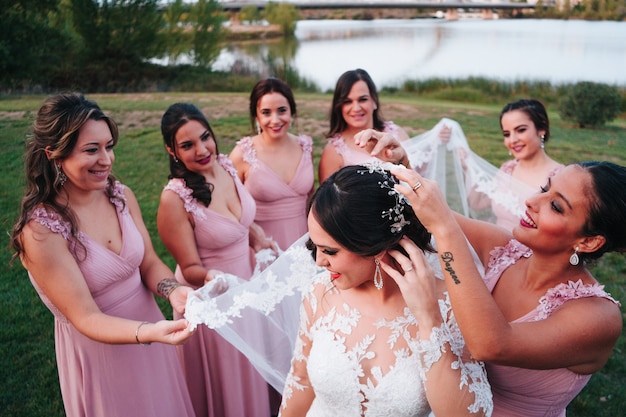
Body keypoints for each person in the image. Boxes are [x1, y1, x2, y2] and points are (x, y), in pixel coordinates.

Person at [9, 92, 196, 417]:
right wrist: (148, 332)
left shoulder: (120, 194)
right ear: (54, 155)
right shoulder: (41, 231)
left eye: (109, 146)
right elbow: (85, 317)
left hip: (152, 337)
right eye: (91, 150)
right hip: (102, 354)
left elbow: (148, 262)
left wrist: (174, 291)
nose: (106, 160)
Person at [389, 161, 623, 417]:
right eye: (545, 188)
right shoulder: (504, 248)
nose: (532, 201)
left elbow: (489, 344)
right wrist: (402, 168)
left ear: (588, 241)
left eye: (556, 206)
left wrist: (444, 230)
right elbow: (432, 213)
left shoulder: (597, 318)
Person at [279, 163, 493, 416]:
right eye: (316, 247)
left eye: (330, 251)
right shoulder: (319, 293)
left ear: (375, 246)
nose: (319, 262)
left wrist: (428, 320)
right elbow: (301, 381)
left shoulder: (449, 307)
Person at [157, 102, 276, 417]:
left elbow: (240, 222)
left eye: (205, 137)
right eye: (187, 145)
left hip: (247, 286)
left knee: (253, 367)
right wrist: (216, 278)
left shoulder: (226, 166)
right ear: (172, 151)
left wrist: (258, 239)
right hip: (212, 301)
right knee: (228, 382)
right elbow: (190, 269)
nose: (201, 149)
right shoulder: (175, 199)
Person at [230, 77, 315, 251]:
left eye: (282, 110)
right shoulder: (242, 154)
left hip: (303, 244)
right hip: (263, 248)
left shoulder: (305, 147)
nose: (275, 120)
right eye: (266, 112)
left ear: (292, 111)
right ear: (256, 115)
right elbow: (227, 205)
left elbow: (311, 198)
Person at [466, 99, 564, 230]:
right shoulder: (507, 169)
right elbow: (478, 204)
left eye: (521, 130)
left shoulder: (559, 178)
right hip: (496, 247)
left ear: (541, 129)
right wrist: (468, 164)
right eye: (507, 134)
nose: (513, 140)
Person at [318, 68, 410, 183]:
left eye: (362, 99)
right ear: (339, 106)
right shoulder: (333, 152)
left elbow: (418, 175)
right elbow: (328, 199)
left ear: (374, 101)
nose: (356, 108)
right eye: (347, 101)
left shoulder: (398, 133)